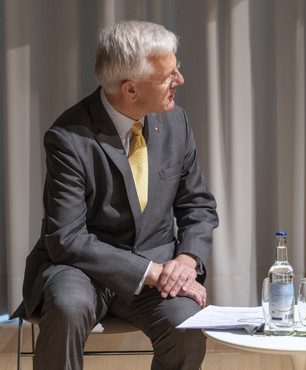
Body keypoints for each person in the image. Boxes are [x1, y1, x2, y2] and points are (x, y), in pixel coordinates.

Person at [12, 20, 218, 369]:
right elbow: (67, 238)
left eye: (176, 69)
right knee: (66, 307)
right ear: (131, 90)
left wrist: (187, 260)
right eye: (168, 75)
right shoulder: (68, 137)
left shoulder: (176, 122)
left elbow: (197, 204)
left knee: (186, 323)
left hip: (159, 265)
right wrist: (152, 272)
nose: (179, 81)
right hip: (80, 269)